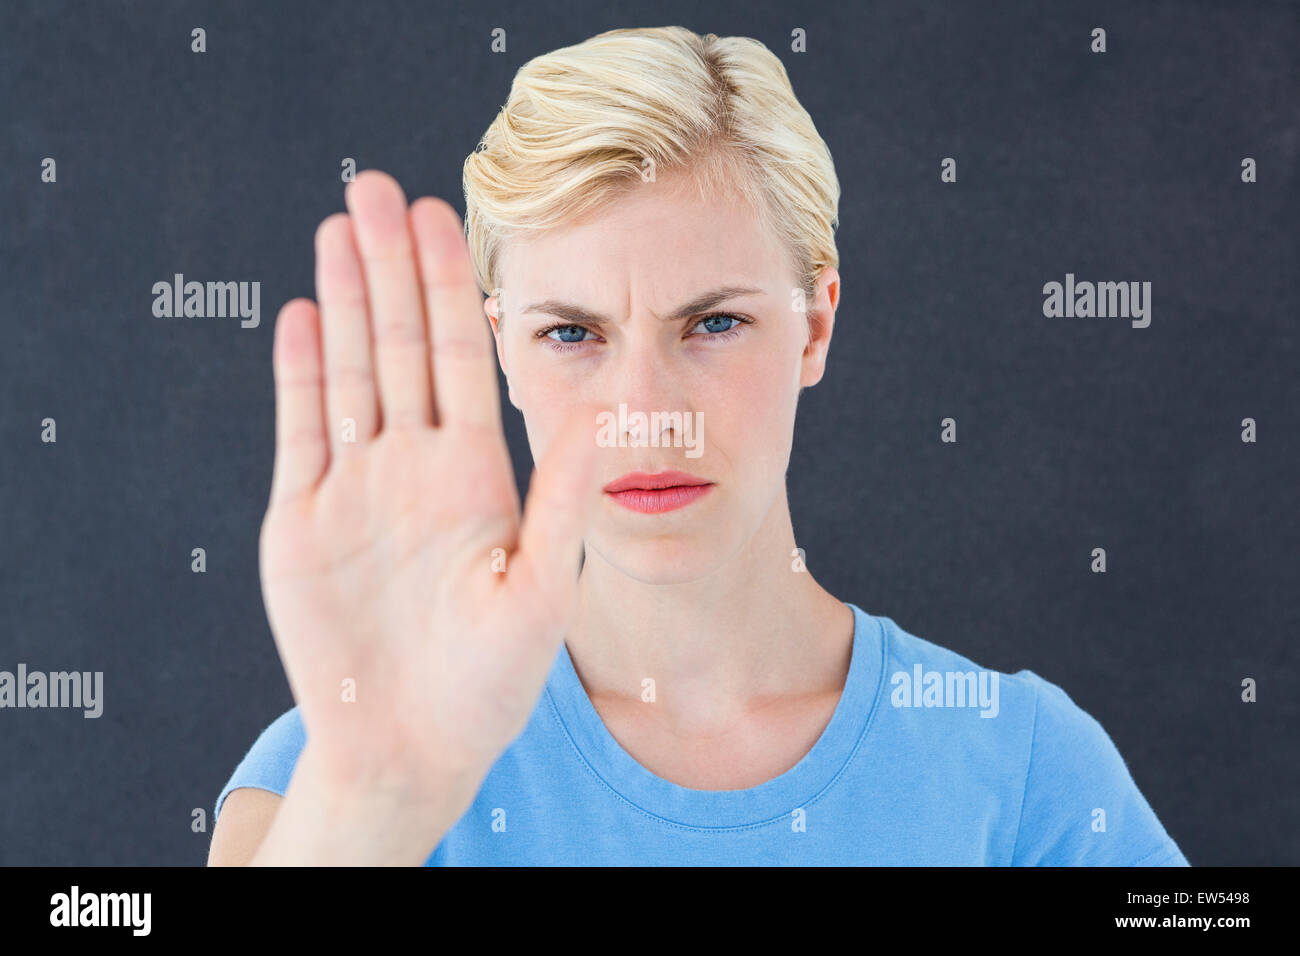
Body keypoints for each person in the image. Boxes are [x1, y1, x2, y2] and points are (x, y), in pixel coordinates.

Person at [207, 26, 1188, 866]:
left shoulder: (1022, 770)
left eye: (712, 323)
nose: (645, 411)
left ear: (814, 326)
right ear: (498, 346)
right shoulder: (339, 770)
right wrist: (365, 812)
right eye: (572, 333)